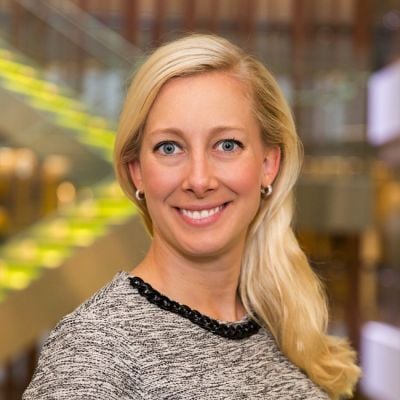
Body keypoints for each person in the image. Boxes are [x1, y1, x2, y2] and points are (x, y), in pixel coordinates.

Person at [23, 34, 360, 399]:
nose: (199, 180)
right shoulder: (93, 353)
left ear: (268, 164)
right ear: (137, 172)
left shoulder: (286, 326)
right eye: (170, 147)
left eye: (226, 145)